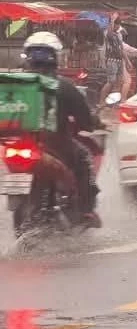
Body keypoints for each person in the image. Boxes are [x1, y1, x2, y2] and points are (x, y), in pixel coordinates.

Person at [22, 31, 101, 227]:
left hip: (21, 145)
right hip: (56, 146)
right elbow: (85, 120)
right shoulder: (64, 86)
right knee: (84, 158)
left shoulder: (15, 85)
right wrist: (93, 123)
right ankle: (86, 211)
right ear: (54, 57)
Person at [101, 16, 125, 107]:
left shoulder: (119, 35)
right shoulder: (108, 32)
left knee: (119, 81)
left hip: (119, 60)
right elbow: (109, 34)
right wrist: (112, 20)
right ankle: (102, 101)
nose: (118, 27)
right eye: (116, 25)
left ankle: (114, 101)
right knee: (111, 81)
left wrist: (126, 61)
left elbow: (121, 48)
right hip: (111, 60)